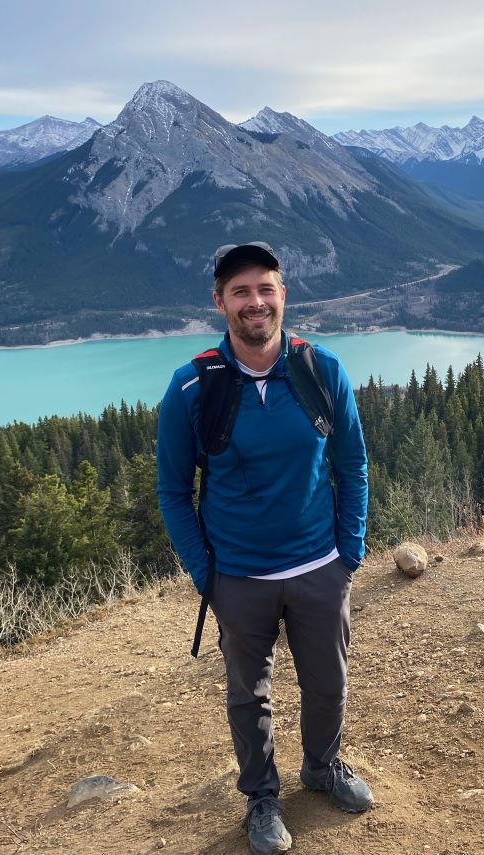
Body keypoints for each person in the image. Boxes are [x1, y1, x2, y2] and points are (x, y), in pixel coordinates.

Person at [156, 241, 371, 855]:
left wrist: (347, 554)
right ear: (220, 301)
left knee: (328, 682)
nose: (256, 302)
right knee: (248, 698)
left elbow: (352, 463)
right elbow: (173, 490)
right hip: (239, 578)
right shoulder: (195, 386)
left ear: (283, 295)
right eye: (241, 291)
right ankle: (262, 797)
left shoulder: (319, 369)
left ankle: (323, 768)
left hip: (318, 567)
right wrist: (207, 576)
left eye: (266, 288)